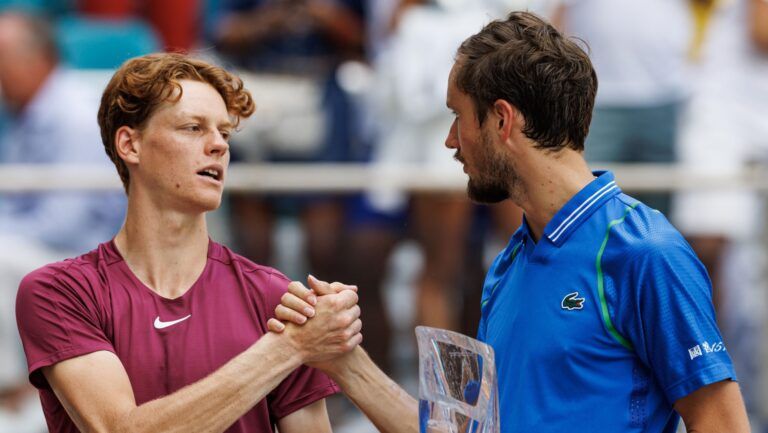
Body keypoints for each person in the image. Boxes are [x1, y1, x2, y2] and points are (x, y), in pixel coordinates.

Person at [268, 11, 751, 433]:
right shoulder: (506, 266)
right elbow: (454, 430)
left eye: (458, 118)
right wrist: (344, 361)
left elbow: (722, 424)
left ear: (502, 121)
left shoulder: (646, 252)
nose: (450, 141)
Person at [14, 52, 363, 433]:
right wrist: (286, 349)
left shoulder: (276, 297)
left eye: (225, 132)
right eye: (193, 128)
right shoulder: (59, 291)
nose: (219, 146)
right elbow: (118, 430)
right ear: (130, 145)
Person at [0, 11, 124, 433]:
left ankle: (12, 391)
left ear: (35, 60)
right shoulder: (27, 108)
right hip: (44, 245)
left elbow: (63, 223)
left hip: (84, 256)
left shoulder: (73, 114)